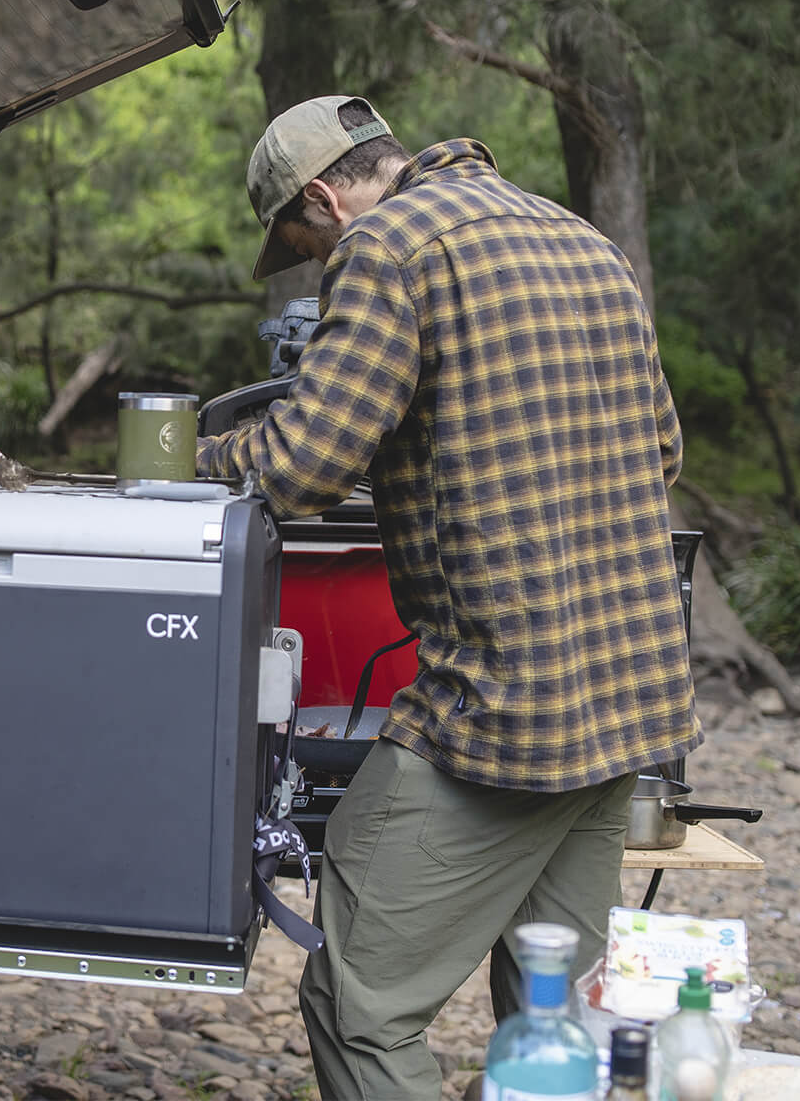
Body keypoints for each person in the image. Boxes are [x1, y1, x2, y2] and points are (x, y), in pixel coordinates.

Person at [199, 96, 698, 1100]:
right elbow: (662, 450)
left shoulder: (389, 246)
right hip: (631, 702)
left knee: (359, 1004)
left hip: (509, 705)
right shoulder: (584, 241)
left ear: (322, 197)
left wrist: (196, 457)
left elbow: (301, 465)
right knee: (555, 1013)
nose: (310, 261)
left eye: (299, 242)